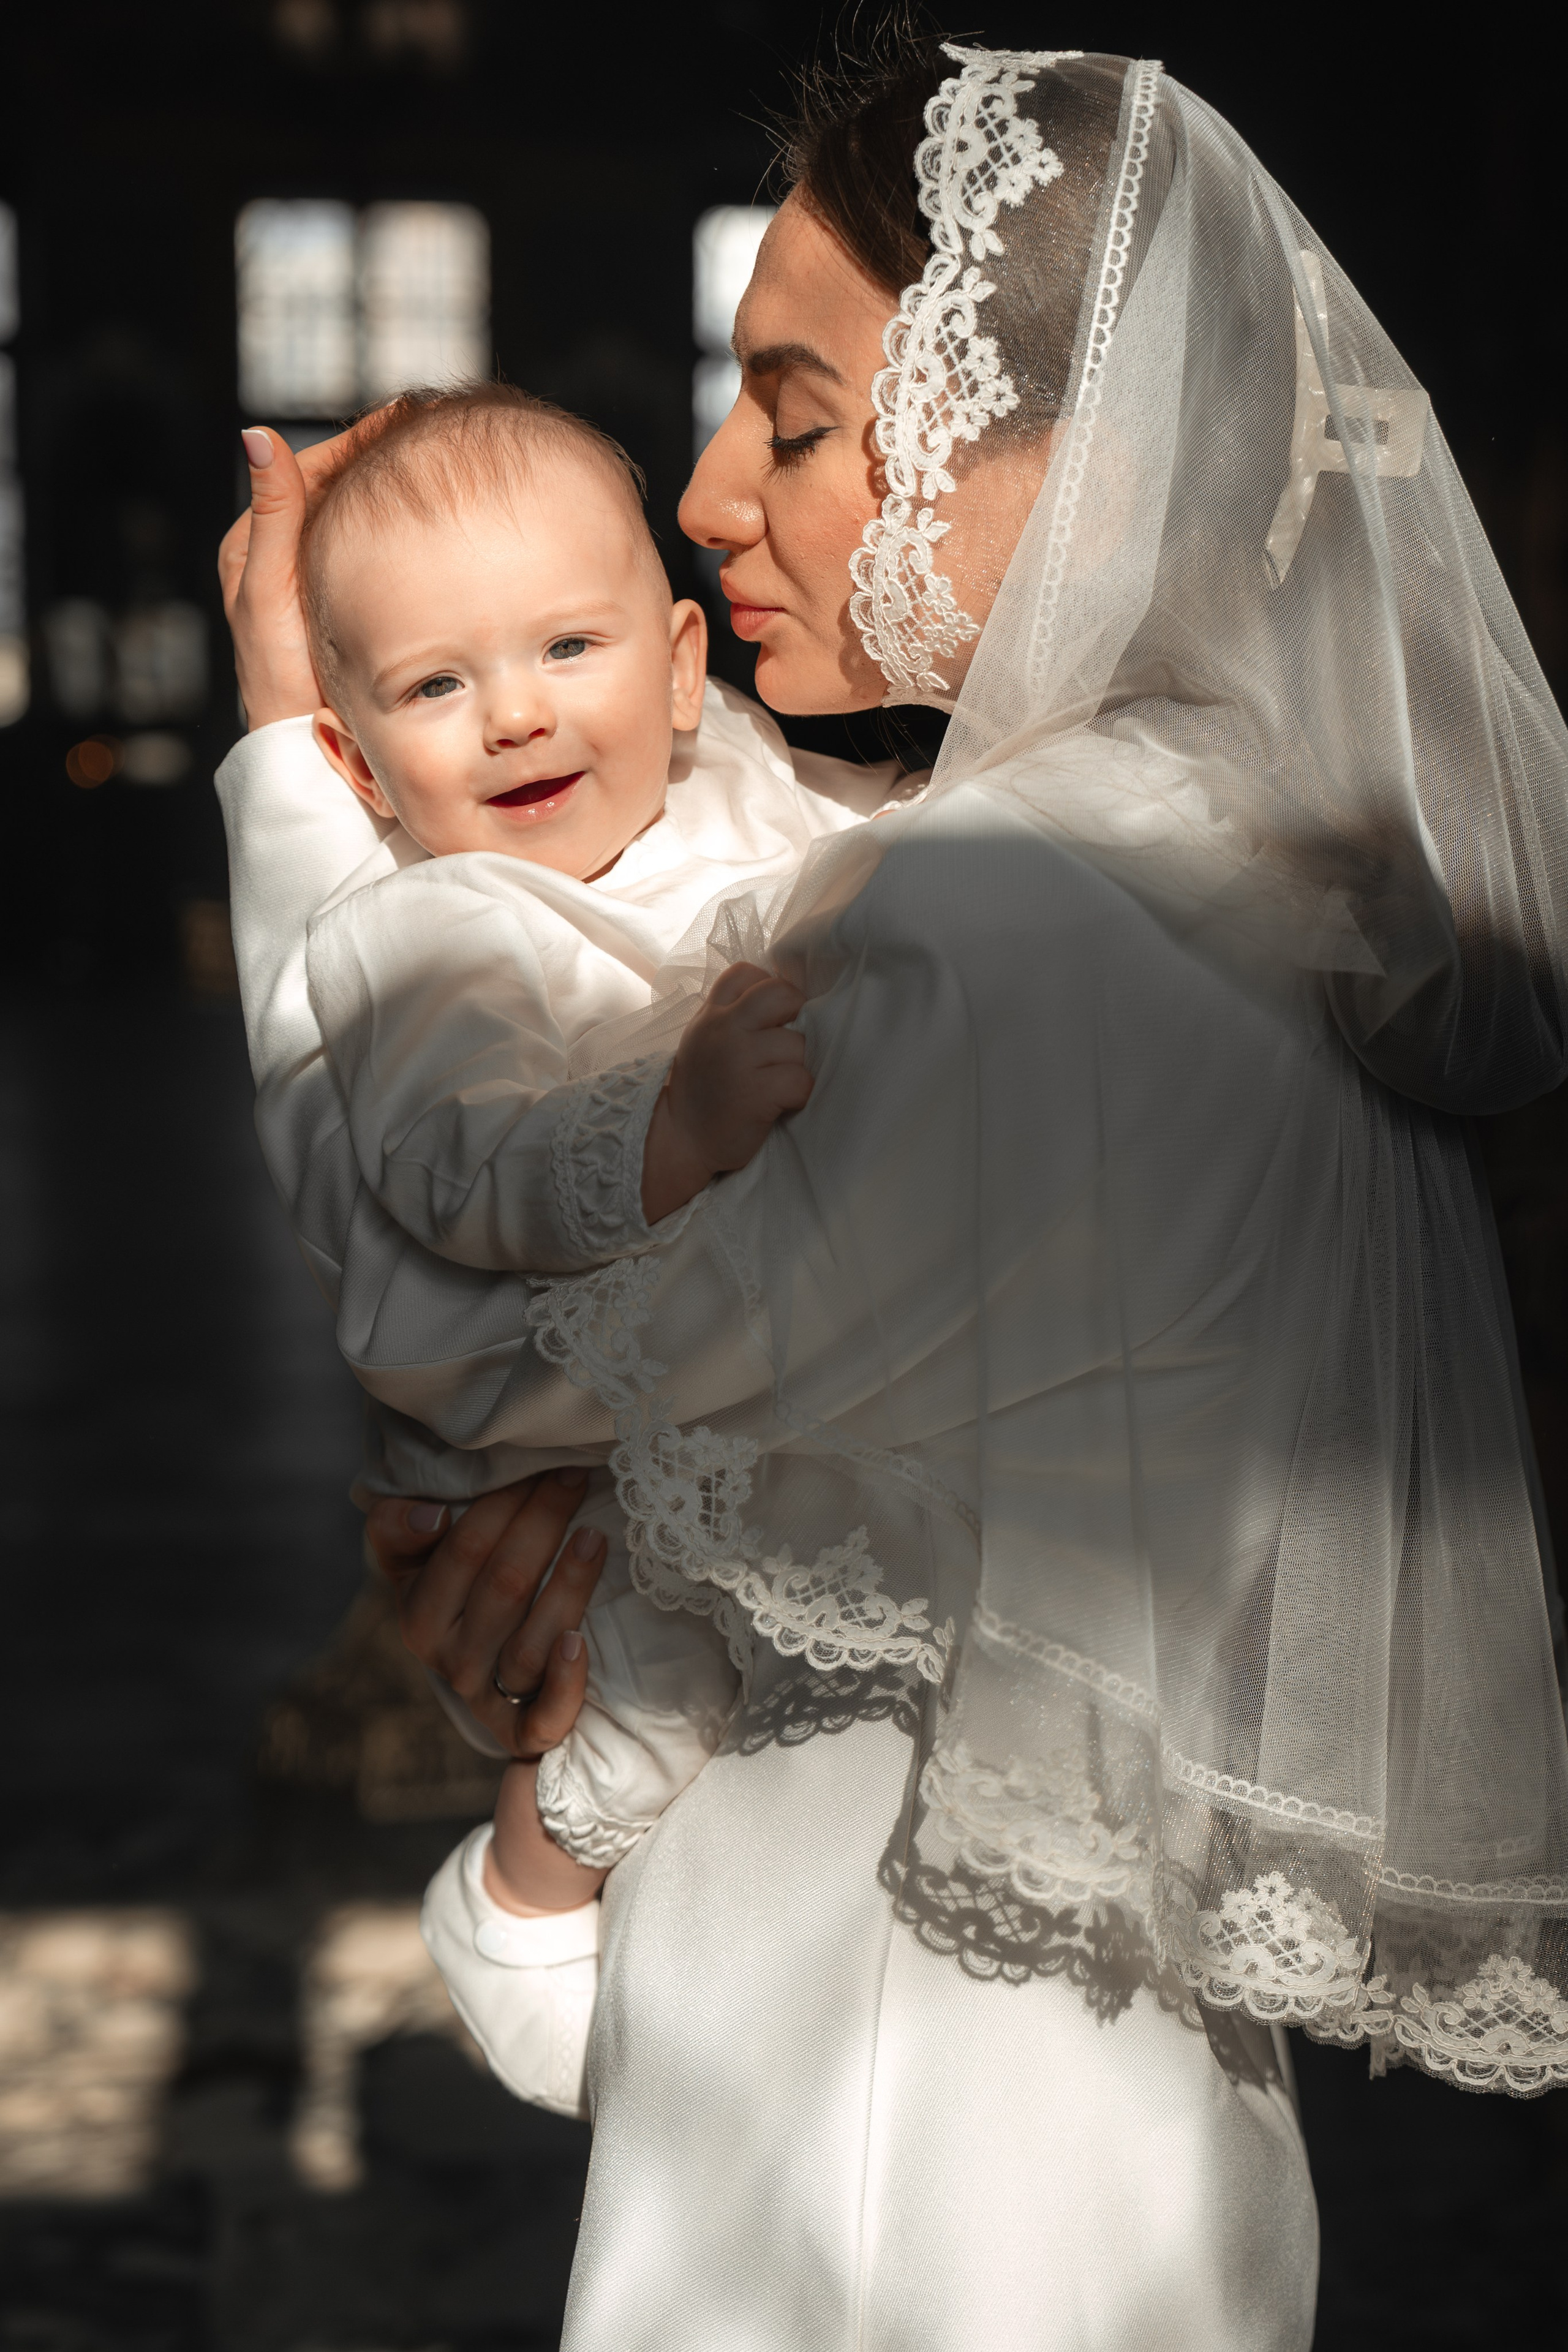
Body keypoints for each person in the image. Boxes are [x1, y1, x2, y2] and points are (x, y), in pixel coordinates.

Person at [219, 37, 1568, 2350]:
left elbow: (452, 1310)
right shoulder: (1231, 854)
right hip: (1082, 2094)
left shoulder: (987, 913)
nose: (714, 495)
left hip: (871, 2112)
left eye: (804, 417)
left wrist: (300, 782)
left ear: (1064, 442)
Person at [229, 379, 899, 2084]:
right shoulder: (431, 931)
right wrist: (667, 1127)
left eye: (566, 653)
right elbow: (454, 1170)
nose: (515, 718)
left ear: (684, 669)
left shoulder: (739, 776)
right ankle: (532, 1889)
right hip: (574, 1418)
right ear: (353, 757)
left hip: (736, 1381)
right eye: (438, 688)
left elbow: (862, 850)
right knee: (656, 1672)